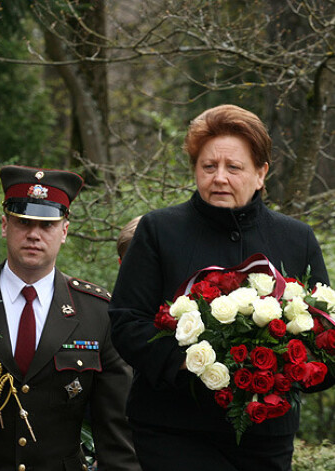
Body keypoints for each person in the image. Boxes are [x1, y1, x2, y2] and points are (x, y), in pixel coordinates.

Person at [108, 104, 330, 471]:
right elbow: (127, 322)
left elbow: (325, 332)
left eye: (234, 168)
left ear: (261, 174)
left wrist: (285, 368)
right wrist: (189, 362)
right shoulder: (158, 231)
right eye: (208, 167)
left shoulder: (297, 238)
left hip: (266, 437)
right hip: (174, 432)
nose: (219, 178)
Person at [0, 165, 141, 471]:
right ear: (4, 225)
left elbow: (115, 432)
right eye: (23, 222)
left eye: (47, 225)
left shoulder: (96, 312)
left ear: (65, 231)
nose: (33, 235)